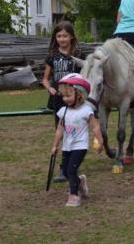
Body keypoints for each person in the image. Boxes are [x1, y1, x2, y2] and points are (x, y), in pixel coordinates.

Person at [50, 73, 103, 207]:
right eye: (63, 96)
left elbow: (95, 127)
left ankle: (74, 195)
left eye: (68, 96)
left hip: (80, 145)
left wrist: (100, 141)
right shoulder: (63, 111)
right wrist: (55, 146)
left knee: (72, 170)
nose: (65, 99)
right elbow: (59, 130)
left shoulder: (86, 110)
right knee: (67, 173)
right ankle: (80, 182)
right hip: (67, 146)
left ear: (79, 94)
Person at [42, 21, 83, 182]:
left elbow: (83, 77)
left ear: (71, 37)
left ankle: (71, 165)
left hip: (75, 100)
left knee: (74, 132)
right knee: (62, 132)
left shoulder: (78, 56)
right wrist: (49, 88)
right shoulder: (52, 57)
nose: (62, 39)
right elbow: (45, 79)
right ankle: (63, 168)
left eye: (65, 35)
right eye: (59, 36)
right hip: (58, 100)